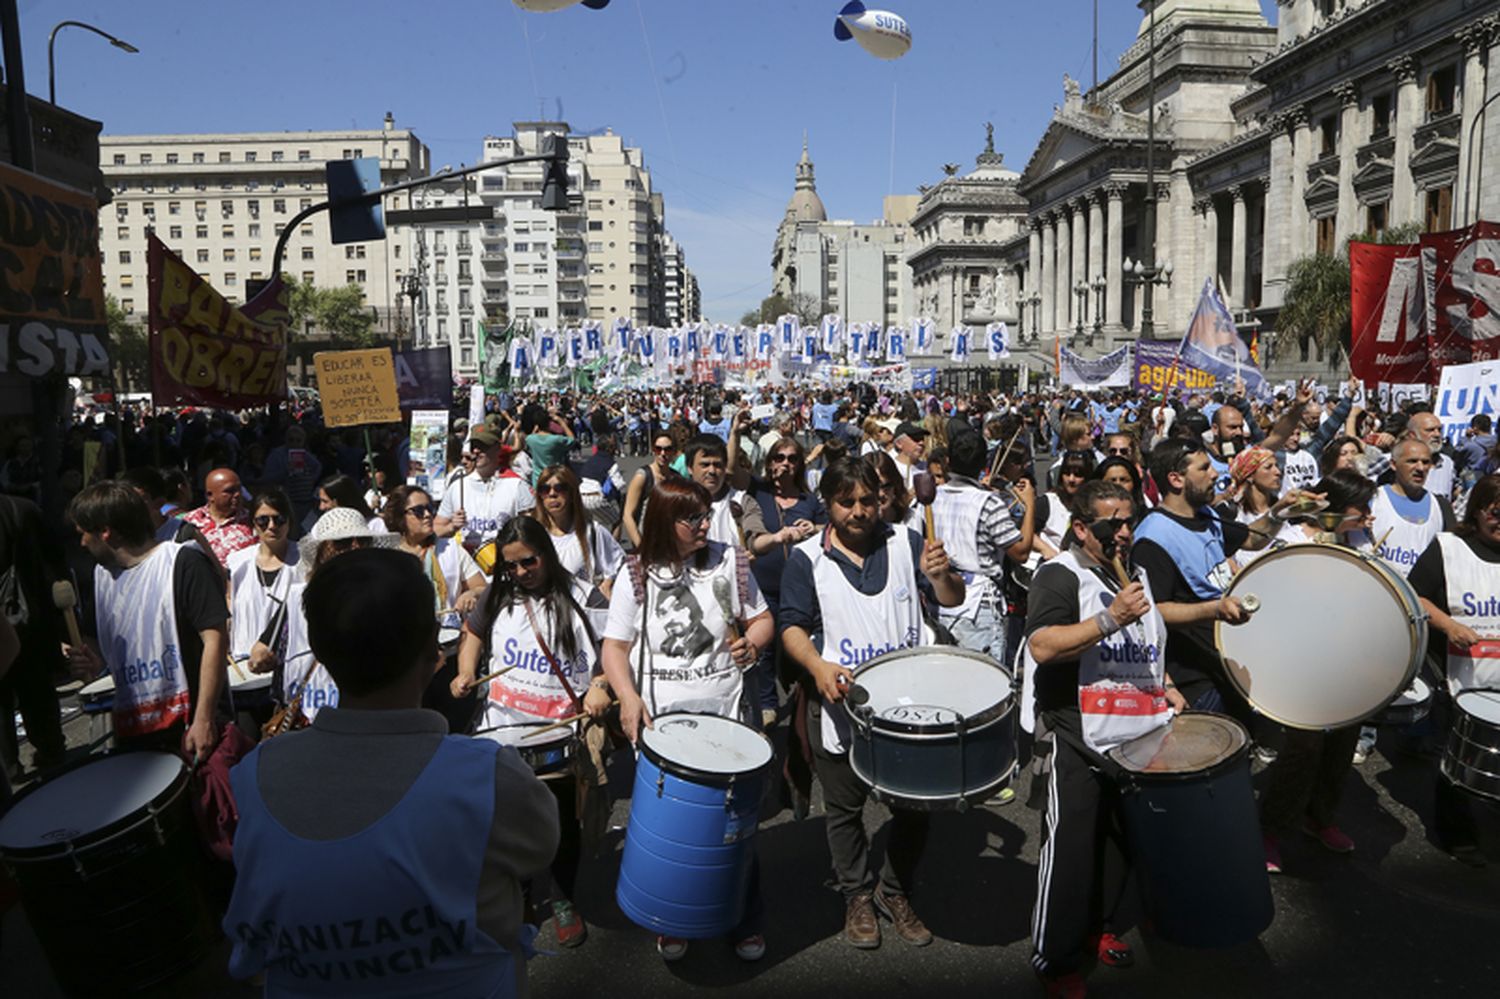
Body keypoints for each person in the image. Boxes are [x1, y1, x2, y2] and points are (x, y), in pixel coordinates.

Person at [222, 547, 560, 996]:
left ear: (320, 651)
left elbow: (252, 931)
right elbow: (539, 847)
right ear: (432, 653)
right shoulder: (487, 776)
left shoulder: (255, 775)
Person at [778, 458, 964, 951]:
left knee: (915, 808)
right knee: (844, 810)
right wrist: (817, 667)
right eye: (847, 502)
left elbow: (949, 597)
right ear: (828, 504)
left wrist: (943, 577)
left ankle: (895, 890)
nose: (860, 511)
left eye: (868, 500)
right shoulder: (806, 559)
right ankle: (857, 894)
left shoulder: (907, 541)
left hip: (909, 708)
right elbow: (790, 626)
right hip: (840, 709)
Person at [599, 477, 773, 963]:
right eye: (691, 518)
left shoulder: (730, 560)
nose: (703, 524)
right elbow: (614, 646)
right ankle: (674, 918)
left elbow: (762, 618)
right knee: (672, 831)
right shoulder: (637, 572)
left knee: (735, 832)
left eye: (705, 514)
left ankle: (744, 918)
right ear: (663, 522)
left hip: (728, 719)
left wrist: (752, 643)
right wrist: (627, 698)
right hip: (662, 730)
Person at [1024, 480, 1185, 995]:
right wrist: (1109, 617)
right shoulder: (1060, 574)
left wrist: (1169, 686)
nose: (1123, 531)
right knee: (1071, 848)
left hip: (1134, 729)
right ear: (1079, 528)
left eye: (1128, 520)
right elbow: (1044, 646)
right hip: (1076, 730)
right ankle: (1056, 957)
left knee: (1121, 838)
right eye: (1110, 523)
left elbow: (1147, 645)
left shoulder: (1133, 574)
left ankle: (1103, 926)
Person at [455, 518, 612, 949]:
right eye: (511, 566)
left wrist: (600, 685)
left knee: (561, 826)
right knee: (505, 826)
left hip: (558, 736)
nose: (521, 572)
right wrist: (466, 671)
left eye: (529, 561)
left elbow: (613, 649)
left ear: (546, 550)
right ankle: (520, 896)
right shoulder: (500, 593)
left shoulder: (582, 595)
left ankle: (564, 898)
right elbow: (472, 633)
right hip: (500, 734)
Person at [1130, 439, 1307, 719]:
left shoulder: (1205, 514)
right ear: (1176, 479)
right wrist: (1214, 609)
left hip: (1223, 657)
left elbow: (1250, 539)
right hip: (1195, 677)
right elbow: (1153, 609)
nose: (1215, 474)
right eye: (1204, 469)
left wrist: (1279, 512)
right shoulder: (1153, 538)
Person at [1256, 470, 1379, 872]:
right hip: (1297, 663)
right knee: (1302, 751)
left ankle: (1319, 817)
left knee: (1342, 743)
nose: (1369, 516)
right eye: (1362, 508)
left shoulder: (1357, 541)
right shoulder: (1290, 542)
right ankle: (1268, 831)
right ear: (1336, 507)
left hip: (1342, 663)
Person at [64, 482, 227, 760]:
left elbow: (216, 639)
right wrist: (91, 663)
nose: (81, 543)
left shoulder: (183, 562)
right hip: (134, 731)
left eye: (84, 534)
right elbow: (104, 656)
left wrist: (204, 718)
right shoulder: (101, 578)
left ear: (105, 532)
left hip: (189, 729)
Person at [1407, 473, 1500, 868]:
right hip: (1457, 677)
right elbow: (1415, 594)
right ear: (1478, 510)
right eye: (1496, 512)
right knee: (1457, 758)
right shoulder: (1450, 548)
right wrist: (1448, 625)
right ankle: (1457, 835)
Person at [930, 431, 1035, 668]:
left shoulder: (930, 499)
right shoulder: (988, 504)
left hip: (939, 600)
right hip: (978, 604)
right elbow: (1020, 551)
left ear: (948, 462)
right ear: (983, 464)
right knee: (984, 684)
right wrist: (1029, 505)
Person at [742, 436, 826, 729]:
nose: (785, 464)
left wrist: (813, 527)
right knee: (763, 647)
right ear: (770, 462)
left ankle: (804, 697)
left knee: (799, 646)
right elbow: (731, 470)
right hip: (763, 584)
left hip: (800, 588)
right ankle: (767, 702)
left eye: (792, 458)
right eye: (779, 458)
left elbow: (829, 530)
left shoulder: (809, 501)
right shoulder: (758, 492)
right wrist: (736, 431)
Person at [0, 494, 67, 783]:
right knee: (37, 688)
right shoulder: (23, 508)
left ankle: (8, 765)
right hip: (33, 615)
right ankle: (51, 750)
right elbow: (53, 562)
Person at [226, 489, 304, 729]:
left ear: (289, 522)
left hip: (286, 676)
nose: (271, 526)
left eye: (279, 519)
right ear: (253, 524)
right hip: (244, 675)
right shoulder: (238, 562)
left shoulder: (302, 560)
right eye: (263, 520)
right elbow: (230, 608)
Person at [435, 427, 535, 556]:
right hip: (467, 571)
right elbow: (437, 528)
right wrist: (452, 527)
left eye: (483, 446)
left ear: (498, 448)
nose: (476, 451)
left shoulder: (517, 486)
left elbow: (533, 531)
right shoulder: (457, 486)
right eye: (473, 446)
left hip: (503, 569)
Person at [530, 466, 624, 598]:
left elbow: (621, 564)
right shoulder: (532, 535)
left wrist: (608, 583)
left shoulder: (592, 532)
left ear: (571, 493)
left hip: (582, 613)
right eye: (545, 489)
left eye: (559, 488)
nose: (552, 494)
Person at [1369, 439, 1456, 578]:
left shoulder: (1441, 506)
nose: (1420, 468)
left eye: (1426, 462)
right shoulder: (1373, 500)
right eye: (1412, 461)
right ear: (1393, 464)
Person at [183, 467, 257, 568]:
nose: (237, 494)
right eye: (229, 491)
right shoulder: (190, 522)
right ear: (210, 495)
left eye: (239, 489)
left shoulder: (253, 521)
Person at [621, 430, 680, 550]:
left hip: (669, 543)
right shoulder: (642, 476)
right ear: (653, 450)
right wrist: (640, 545)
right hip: (646, 541)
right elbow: (627, 515)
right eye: (658, 449)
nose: (663, 453)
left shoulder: (677, 478)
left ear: (674, 451)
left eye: (667, 449)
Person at [315, 472, 387, 534]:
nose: (321, 507)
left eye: (325, 501)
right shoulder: (321, 528)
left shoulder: (374, 525)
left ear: (342, 501)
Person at [521, 403, 576, 484]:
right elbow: (572, 439)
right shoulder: (556, 439)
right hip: (556, 476)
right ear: (549, 423)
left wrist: (535, 429)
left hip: (538, 478)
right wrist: (562, 422)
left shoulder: (530, 439)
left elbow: (529, 438)